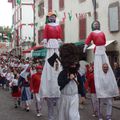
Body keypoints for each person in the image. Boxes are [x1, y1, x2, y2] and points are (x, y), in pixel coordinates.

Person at [83, 21, 119, 120]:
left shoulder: (102, 33)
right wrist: (85, 46)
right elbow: (88, 40)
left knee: (105, 65)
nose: (96, 25)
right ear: (92, 26)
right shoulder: (92, 34)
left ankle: (107, 115)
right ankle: (100, 114)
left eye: (97, 24)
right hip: (99, 51)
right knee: (100, 100)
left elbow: (103, 41)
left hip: (102, 50)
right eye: (94, 24)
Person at [39, 11, 63, 120]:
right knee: (50, 58)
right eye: (50, 17)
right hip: (49, 44)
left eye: (53, 16)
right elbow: (45, 35)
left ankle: (56, 69)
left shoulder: (58, 26)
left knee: (56, 59)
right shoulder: (47, 26)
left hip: (55, 43)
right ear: (48, 18)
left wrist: (59, 40)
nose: (52, 18)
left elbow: (59, 34)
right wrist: (44, 40)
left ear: (55, 17)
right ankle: (51, 69)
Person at [58, 43, 85, 120]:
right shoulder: (62, 73)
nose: (73, 65)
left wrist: (83, 95)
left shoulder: (77, 73)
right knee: (64, 116)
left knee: (73, 116)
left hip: (74, 97)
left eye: (74, 64)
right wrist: (68, 79)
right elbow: (60, 83)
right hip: (64, 97)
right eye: (71, 64)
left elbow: (81, 85)